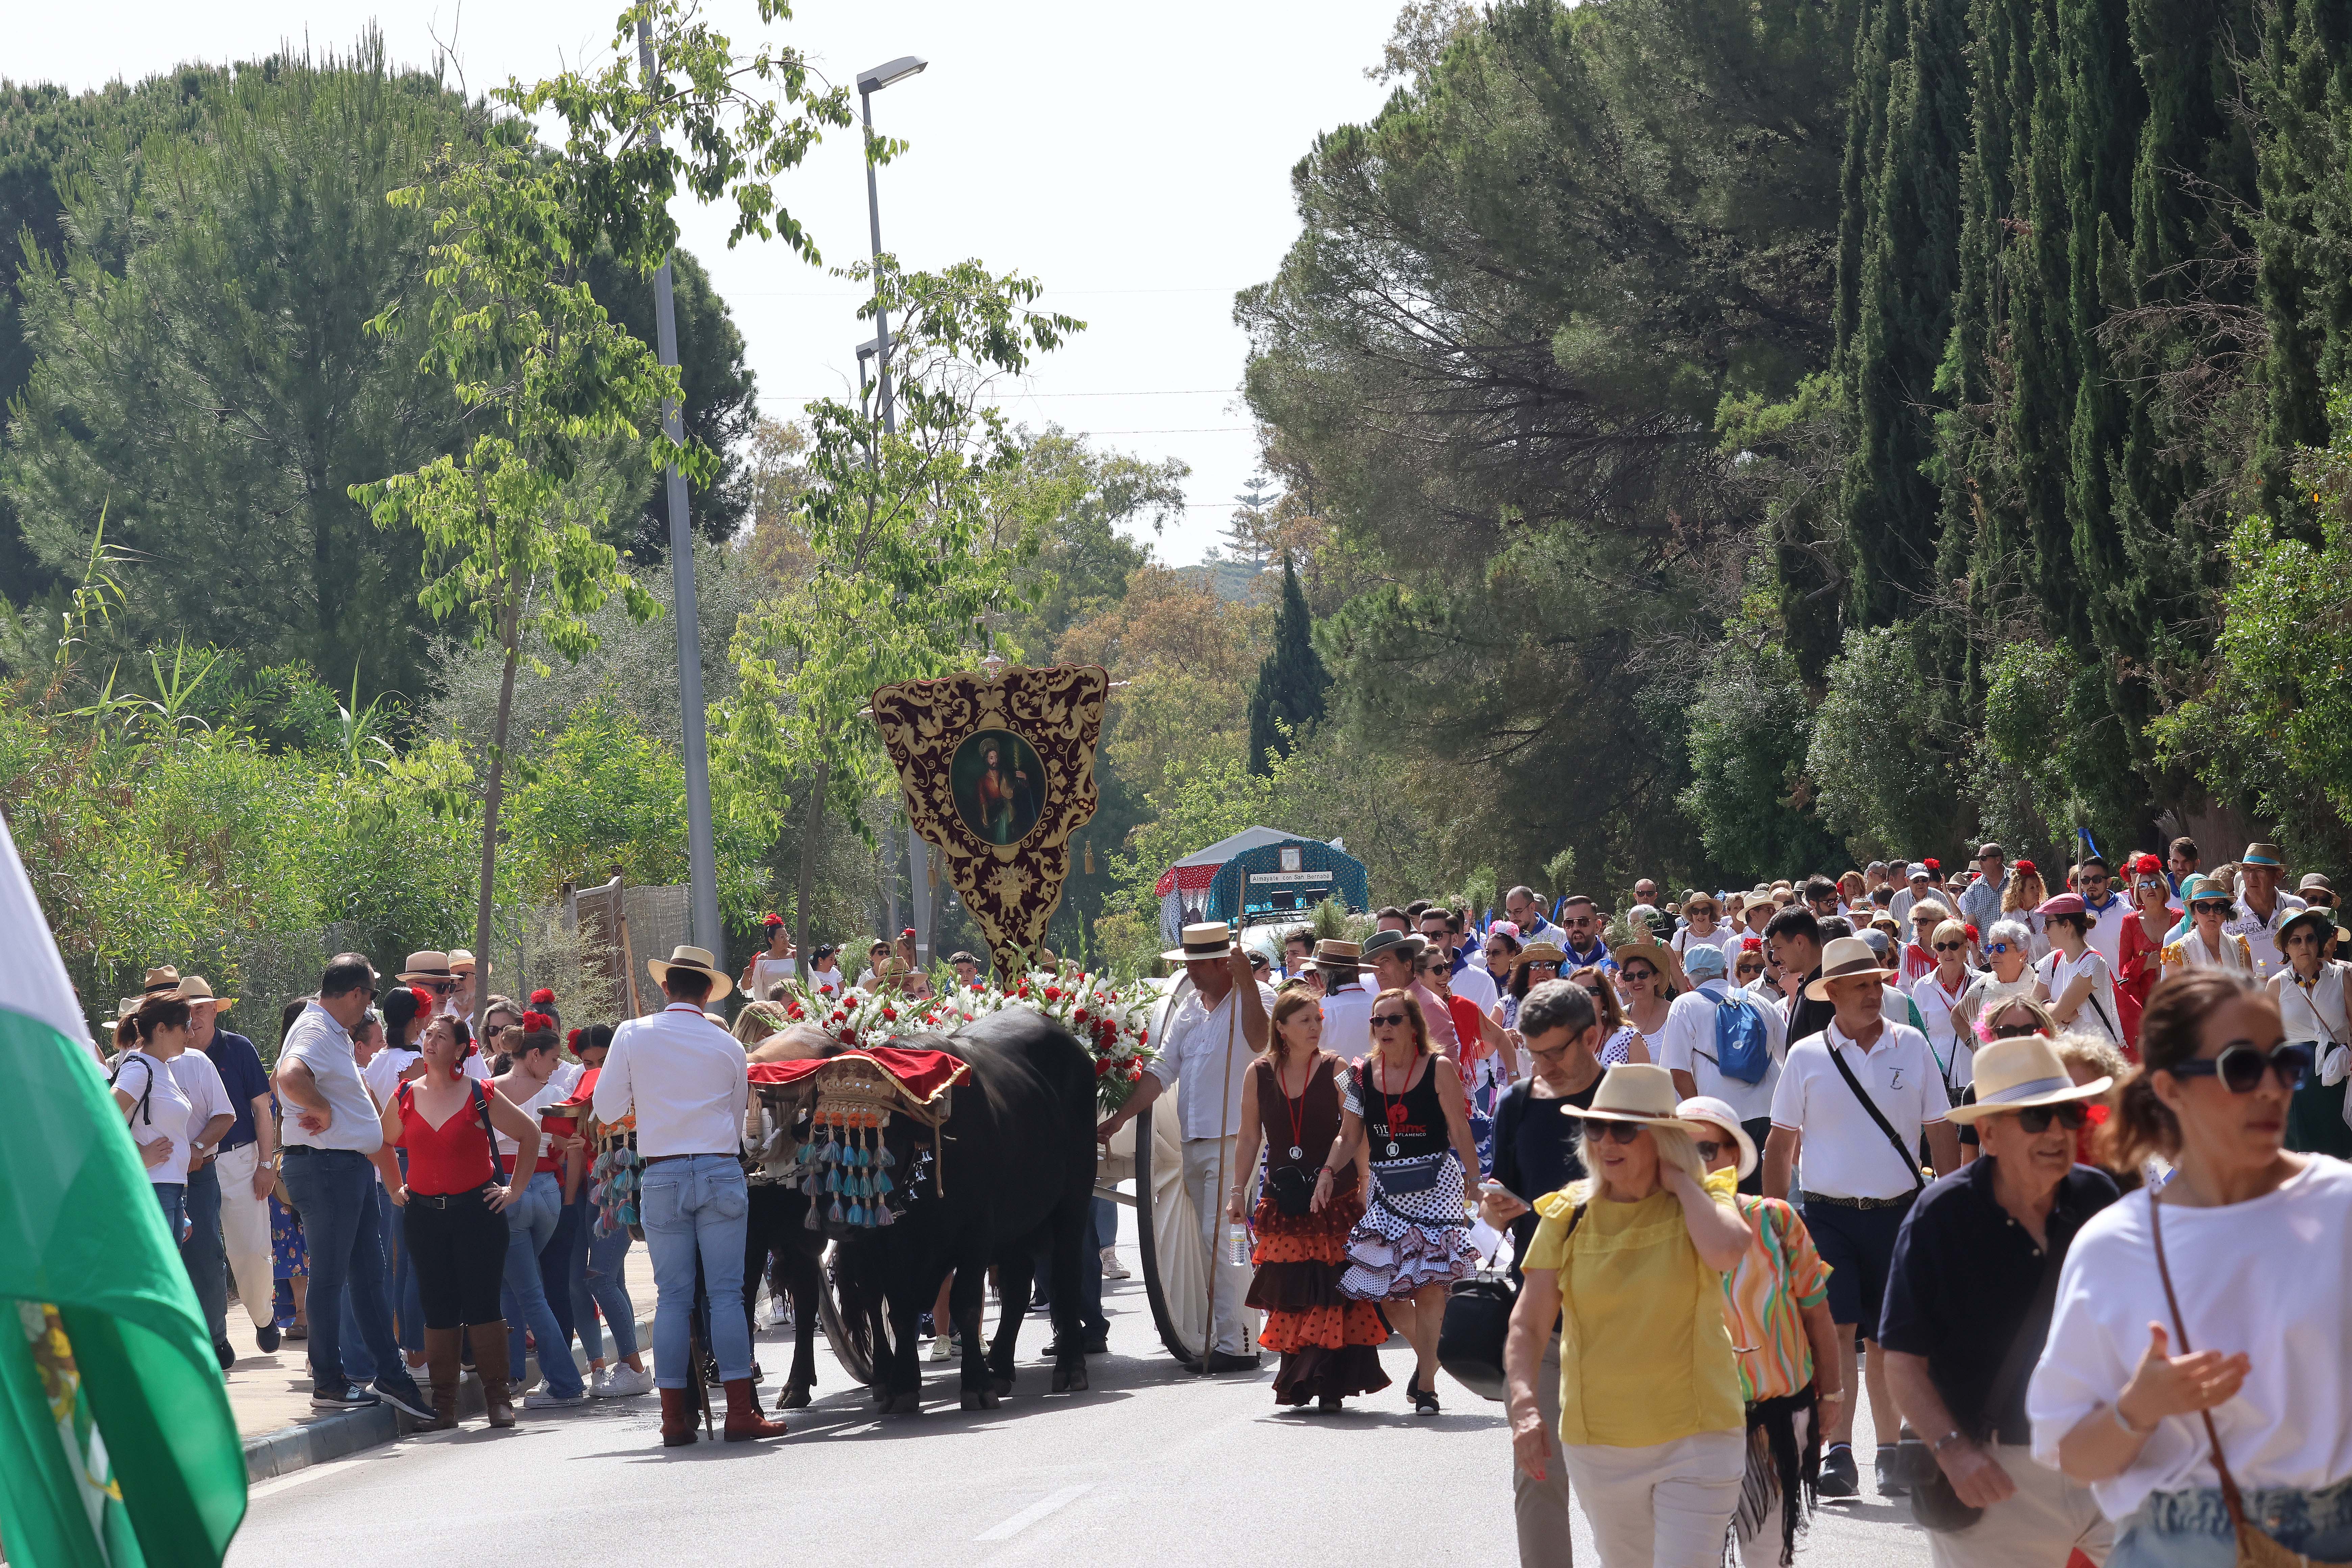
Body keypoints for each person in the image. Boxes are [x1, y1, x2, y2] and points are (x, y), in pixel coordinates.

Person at [2030, 970, 2352, 1566]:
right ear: (2170, 1088)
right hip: (2175, 1546)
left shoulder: (2341, 1208)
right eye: (2241, 1068)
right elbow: (2071, 1454)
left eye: (2284, 1064)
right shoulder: (2114, 1245)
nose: (2273, 1089)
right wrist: (2140, 1408)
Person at [1880, 1034, 2120, 1567]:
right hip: (1992, 1474)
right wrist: (1953, 1452)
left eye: (2068, 1113)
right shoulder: (1939, 1218)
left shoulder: (2100, 1197)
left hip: (2103, 1461)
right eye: (2037, 1118)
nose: (2058, 1132)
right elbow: (1901, 1362)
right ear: (1987, 1133)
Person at [1502, 1064, 1755, 1567]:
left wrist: (1682, 1182)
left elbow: (1729, 1252)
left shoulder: (1705, 1199)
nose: (1606, 1141)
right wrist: (1526, 1406)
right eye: (1596, 1127)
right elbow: (1528, 1326)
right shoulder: (1567, 1214)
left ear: (1663, 1137)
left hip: (1699, 1435)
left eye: (1625, 1129)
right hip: (1600, 1444)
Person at [1764, 935, 1962, 1498]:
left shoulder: (1912, 1046)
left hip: (1900, 1215)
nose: (1874, 994)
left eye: (1878, 983)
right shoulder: (1805, 1057)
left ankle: (1891, 1451)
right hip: (1828, 1218)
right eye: (1861, 986)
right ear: (1834, 994)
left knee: (1886, 1339)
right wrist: (1774, 1225)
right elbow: (1779, 1148)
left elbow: (1940, 1131)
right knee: (1838, 1332)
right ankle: (1840, 1453)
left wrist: (1946, 1208)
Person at [592, 945, 785, 1445]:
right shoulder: (729, 1047)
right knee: (726, 1295)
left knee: (673, 1299)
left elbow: (608, 1106)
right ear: (707, 993)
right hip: (721, 1172)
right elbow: (744, 1116)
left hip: (664, 1175)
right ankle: (741, 1412)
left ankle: (675, 1419)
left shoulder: (633, 1034)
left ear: (664, 987)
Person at [1096, 925, 1274, 1372]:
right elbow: (1161, 1072)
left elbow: (1262, 1042)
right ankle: (1237, 1331)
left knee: (1222, 1235)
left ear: (1222, 964)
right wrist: (1121, 1116)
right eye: (1187, 966)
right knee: (1218, 1239)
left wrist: (1248, 984)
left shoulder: (1257, 999)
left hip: (1234, 1140)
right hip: (1193, 1144)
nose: (1190, 973)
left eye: (1197, 965)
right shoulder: (1190, 1010)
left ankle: (1240, 1343)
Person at [1678, 1095, 1841, 1568]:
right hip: (1690, 1420)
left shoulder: (1776, 1221)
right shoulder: (1658, 1228)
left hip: (1776, 1420)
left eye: (1706, 1150)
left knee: (1766, 1553)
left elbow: (1817, 1314)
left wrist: (1832, 1395)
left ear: (1733, 1155)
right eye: (1679, 1151)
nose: (1694, 1164)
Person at [273, 955, 434, 1420]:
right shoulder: (316, 1030)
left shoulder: (327, 1030)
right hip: (328, 1170)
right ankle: (329, 1380)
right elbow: (288, 1077)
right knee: (331, 1278)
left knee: (368, 1277)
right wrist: (321, 1109)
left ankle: (388, 1374)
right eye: (369, 996)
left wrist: (326, 1111)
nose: (369, 1008)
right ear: (355, 994)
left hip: (345, 1169)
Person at [1483, 979, 1607, 1567]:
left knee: (1627, 1484)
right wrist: (1495, 1206)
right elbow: (1500, 1193)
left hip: (1632, 1320)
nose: (1545, 1067)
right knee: (1536, 1477)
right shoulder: (1515, 1103)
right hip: (1544, 1316)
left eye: (1557, 1052)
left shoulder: (1627, 1100)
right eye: (1535, 1055)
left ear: (1595, 1036)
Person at [1316, 989, 1481, 1415]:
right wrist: (1329, 1171)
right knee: (1386, 1292)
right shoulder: (1358, 1074)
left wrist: (1474, 1176)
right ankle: (1435, 1352)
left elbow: (1459, 1128)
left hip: (1437, 1185)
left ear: (1413, 1026)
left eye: (1394, 1020)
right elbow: (1349, 1135)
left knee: (1429, 1285)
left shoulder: (1438, 1067)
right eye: (1378, 1021)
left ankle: (1426, 1384)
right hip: (1388, 1186)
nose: (1385, 1028)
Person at [376, 1012, 540, 1428]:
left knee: (483, 1303)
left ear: (460, 1049)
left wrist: (514, 1190)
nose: (431, 1041)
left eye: (442, 1036)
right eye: (428, 1033)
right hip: (424, 1217)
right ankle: (444, 1404)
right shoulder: (406, 1094)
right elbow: (381, 1143)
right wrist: (396, 1189)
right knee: (437, 1307)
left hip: (477, 1214)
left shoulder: (479, 1092)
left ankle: (498, 1399)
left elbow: (529, 1135)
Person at [1226, 989, 1388, 1411]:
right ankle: (1298, 1377)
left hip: (1334, 1193)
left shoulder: (1339, 1069)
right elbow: (1248, 1137)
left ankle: (1330, 1380)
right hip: (1284, 1196)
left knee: (1334, 1287)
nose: (1316, 1027)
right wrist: (1236, 1190)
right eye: (1304, 1021)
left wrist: (1353, 1176)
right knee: (1295, 1291)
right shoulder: (1257, 1073)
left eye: (1317, 1019)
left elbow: (1353, 1127)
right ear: (1280, 1027)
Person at [488, 1020, 588, 1409]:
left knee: (528, 1293)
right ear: (532, 1055)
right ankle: (522, 1372)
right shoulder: (558, 1092)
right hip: (548, 1191)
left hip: (507, 1190)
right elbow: (567, 1147)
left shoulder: (489, 1093)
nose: (555, 1062)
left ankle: (563, 1382)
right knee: (519, 1288)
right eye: (550, 1056)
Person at [1659, 943, 1786, 1196]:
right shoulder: (1760, 1001)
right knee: (1763, 1197)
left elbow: (1678, 1071)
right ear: (1727, 970)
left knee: (1725, 1196)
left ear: (1687, 978)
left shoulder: (1685, 1005)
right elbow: (1788, 1055)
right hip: (1768, 1111)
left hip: (1723, 1116)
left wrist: (1702, 1116)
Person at [167, 1023, 238, 1369]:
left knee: (206, 1257)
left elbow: (225, 1114)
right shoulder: (130, 1064)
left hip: (198, 1176)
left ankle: (215, 1339)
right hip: (154, 1179)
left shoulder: (197, 1062)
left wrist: (196, 1147)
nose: (190, 1029)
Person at [1420, 947, 1517, 1174]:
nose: (1446, 974)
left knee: (1468, 1182)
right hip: (1422, 1111)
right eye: (1437, 969)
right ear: (1418, 976)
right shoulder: (1406, 1012)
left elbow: (1500, 1037)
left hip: (1462, 1109)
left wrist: (1513, 1079)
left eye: (1447, 967)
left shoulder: (1461, 1006)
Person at [2270, 904, 2352, 1158]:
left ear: (2319, 942)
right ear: (2286, 948)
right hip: (2298, 1083)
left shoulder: (2341, 977)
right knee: (2303, 1157)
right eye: (2295, 940)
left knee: (2342, 1154)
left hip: (2339, 1077)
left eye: (2310, 938)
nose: (2303, 946)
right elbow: (2268, 1039)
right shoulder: (2277, 985)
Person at [111, 995, 198, 1234]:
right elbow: (103, 1115)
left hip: (170, 1190)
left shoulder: (159, 1067)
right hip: (153, 1190)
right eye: (187, 1026)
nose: (191, 1034)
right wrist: (138, 1156)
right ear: (162, 1029)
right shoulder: (140, 1068)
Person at [2038, 893, 2125, 1047]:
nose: (2044, 931)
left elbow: (2055, 1016)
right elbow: (2032, 1006)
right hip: (2067, 1053)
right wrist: (2056, 1009)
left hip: (2095, 1056)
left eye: (2048, 923)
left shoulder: (2092, 963)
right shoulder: (2053, 960)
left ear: (2066, 925)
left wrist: (2048, 1007)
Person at [1913, 918, 1981, 1101]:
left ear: (1966, 946)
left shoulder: (1982, 984)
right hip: (1938, 1078)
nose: (1947, 952)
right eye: (1941, 947)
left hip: (1976, 1076)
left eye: (1953, 945)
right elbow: (1918, 1036)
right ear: (1935, 950)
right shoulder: (1923, 987)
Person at [2116, 855, 2174, 1053]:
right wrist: (2145, 964)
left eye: (2155, 884)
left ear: (2164, 888)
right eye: (2143, 886)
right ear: (2137, 892)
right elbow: (2123, 971)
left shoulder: (2180, 918)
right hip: (2143, 1006)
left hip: (2175, 1000)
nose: (2150, 889)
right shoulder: (2130, 922)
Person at [2223, 841, 2306, 977]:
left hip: (2296, 993)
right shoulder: (2228, 917)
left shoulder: (2297, 907)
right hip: (2253, 996)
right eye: (2247, 870)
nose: (2252, 878)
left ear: (2278, 877)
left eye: (2260, 871)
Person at [1958, 918, 2049, 1043]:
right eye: (1990, 949)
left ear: (2022, 954)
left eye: (2001, 948)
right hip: (1992, 1061)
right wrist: (1972, 1044)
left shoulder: (2038, 984)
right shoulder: (1984, 985)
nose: (1993, 954)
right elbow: (1957, 1015)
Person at [2162, 876, 2254, 979]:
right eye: (2203, 907)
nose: (2211, 913)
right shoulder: (2177, 952)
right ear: (2194, 914)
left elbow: (2249, 992)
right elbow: (2174, 995)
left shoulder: (2240, 948)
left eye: (2218, 908)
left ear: (2226, 914)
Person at [1766, 907, 1833, 1046]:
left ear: (1799, 942)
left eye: (1778, 948)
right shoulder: (1809, 985)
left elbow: (1822, 1057)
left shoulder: (1824, 991)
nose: (1775, 958)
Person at [1613, 939, 1679, 1062]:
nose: (1636, 981)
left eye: (1642, 975)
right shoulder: (1620, 1019)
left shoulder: (1675, 1014)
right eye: (1630, 977)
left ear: (1656, 979)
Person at [1575, 963, 1648, 1067]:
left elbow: (1646, 1082)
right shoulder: (1562, 1042)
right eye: (1575, 992)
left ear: (1604, 999)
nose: (1584, 997)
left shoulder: (1628, 1037)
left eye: (1592, 991)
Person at [1316, 940, 1372, 1062]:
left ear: (1322, 975)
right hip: (1379, 1078)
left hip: (1336, 1080)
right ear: (1359, 970)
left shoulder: (1320, 1010)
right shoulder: (1379, 1005)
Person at [2003, 861, 2053, 961]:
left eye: (2038, 887)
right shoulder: (2009, 917)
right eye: (2032, 888)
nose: (2037, 891)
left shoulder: (2048, 913)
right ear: (2020, 891)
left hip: (2050, 969)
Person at [740, 914, 798, 1000]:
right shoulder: (762, 960)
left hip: (794, 1005)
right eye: (782, 937)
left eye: (787, 936)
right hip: (770, 1007)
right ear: (771, 940)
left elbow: (810, 982)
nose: (786, 939)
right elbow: (747, 987)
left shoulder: (795, 956)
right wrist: (746, 976)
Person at [1559, 895, 1615, 973]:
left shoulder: (1613, 961)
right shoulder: (1555, 965)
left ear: (1597, 926)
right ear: (1564, 927)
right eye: (1569, 923)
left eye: (1583, 922)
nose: (1576, 928)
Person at [1485, 924, 1526, 1026]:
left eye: (1497, 953)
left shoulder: (1522, 982)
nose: (1490, 958)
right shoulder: (1481, 980)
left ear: (1512, 954)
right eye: (1487, 953)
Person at [1508, 884, 1570, 948]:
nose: (1512, 918)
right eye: (1509, 912)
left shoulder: (1560, 936)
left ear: (1532, 907)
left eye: (1518, 911)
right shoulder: (1506, 939)